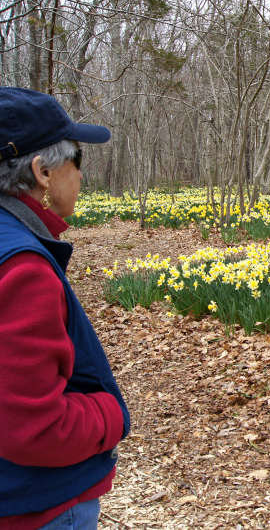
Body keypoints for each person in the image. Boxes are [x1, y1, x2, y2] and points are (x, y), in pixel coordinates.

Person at [0, 87, 130, 529]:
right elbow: (34, 428)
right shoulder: (23, 267)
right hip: (38, 505)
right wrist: (111, 414)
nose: (80, 176)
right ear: (42, 171)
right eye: (77, 161)